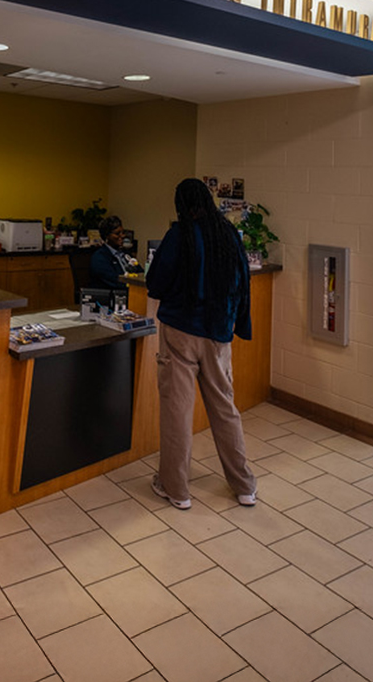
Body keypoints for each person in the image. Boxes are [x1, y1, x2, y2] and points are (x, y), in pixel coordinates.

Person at [144, 178, 257, 510]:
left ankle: (176, 489)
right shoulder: (229, 236)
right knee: (225, 410)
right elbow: (242, 284)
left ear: (181, 204)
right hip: (219, 335)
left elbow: (156, 283)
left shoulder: (179, 236)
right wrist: (236, 323)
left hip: (180, 331)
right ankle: (244, 486)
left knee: (177, 411)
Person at [88, 215, 140, 297]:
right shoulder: (99, 258)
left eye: (123, 232)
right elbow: (115, 282)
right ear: (106, 236)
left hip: (132, 295)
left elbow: (140, 273)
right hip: (111, 300)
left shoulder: (125, 254)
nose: (122, 236)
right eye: (117, 233)